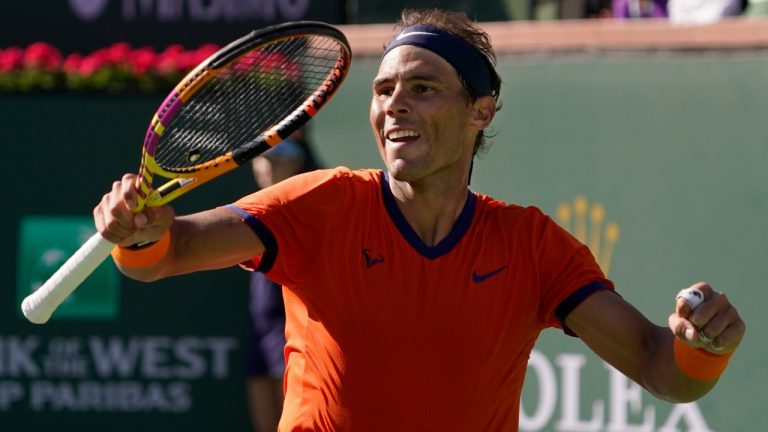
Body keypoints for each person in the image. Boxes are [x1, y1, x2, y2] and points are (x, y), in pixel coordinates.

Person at [95, 8, 745, 431]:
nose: (394, 106)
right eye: (383, 91)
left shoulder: (532, 246)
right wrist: (140, 234)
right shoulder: (321, 205)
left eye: (423, 88)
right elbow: (172, 248)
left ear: (481, 112)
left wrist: (702, 347)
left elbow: (663, 370)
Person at [244, 128, 319, 432]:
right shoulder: (251, 213)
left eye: (280, 155)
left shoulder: (308, 208)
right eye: (262, 157)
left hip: (294, 336)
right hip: (261, 334)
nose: (269, 164)